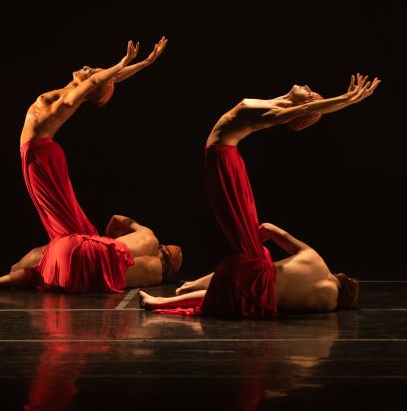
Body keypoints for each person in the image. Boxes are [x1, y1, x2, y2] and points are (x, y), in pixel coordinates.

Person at [139, 74, 380, 316]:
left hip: (222, 157)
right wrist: (343, 102)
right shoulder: (280, 103)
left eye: (308, 93)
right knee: (247, 259)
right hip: (228, 155)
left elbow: (308, 108)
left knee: (240, 226)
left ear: (300, 107)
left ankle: (169, 298)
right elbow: (308, 108)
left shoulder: (274, 114)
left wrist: (347, 98)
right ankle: (185, 291)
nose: (305, 86)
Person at [0, 38, 183, 293]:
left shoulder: (66, 102)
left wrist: (124, 61)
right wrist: (145, 62)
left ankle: (80, 244)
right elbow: (102, 80)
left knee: (68, 220)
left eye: (92, 72)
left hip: (40, 157)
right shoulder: (73, 88)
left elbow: (96, 81)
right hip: (40, 153)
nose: (88, 68)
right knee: (69, 214)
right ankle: (76, 244)